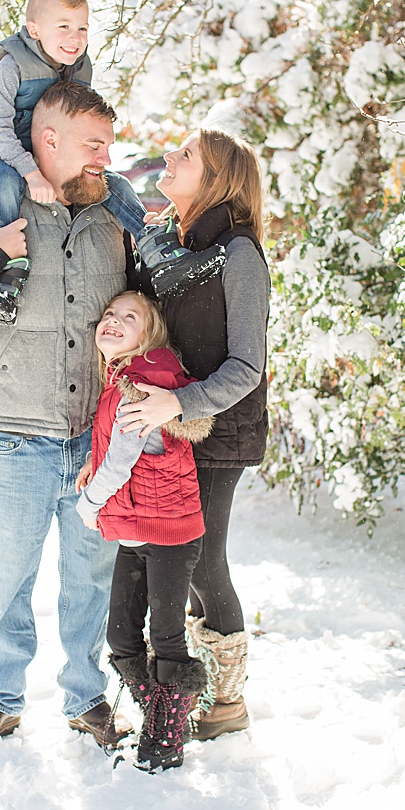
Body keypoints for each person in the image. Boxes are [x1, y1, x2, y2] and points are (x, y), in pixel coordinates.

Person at [0, 79, 137, 746]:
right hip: (14, 440)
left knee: (90, 582)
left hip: (93, 443)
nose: (107, 152)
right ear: (49, 140)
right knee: (6, 578)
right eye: (92, 142)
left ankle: (87, 698)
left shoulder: (116, 218)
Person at [116, 128, 271, 741]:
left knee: (204, 560)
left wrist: (177, 404)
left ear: (214, 180)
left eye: (186, 156)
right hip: (161, 432)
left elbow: (246, 366)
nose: (169, 158)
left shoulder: (239, 256)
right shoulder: (161, 243)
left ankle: (225, 697)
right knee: (167, 559)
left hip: (218, 431)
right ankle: (183, 688)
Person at [0, 0, 222, 324]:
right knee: (5, 185)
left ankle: (157, 251)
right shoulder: (10, 64)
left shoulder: (77, 64)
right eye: (63, 27)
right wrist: (30, 171)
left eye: (82, 28)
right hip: (5, 153)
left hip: (53, 154)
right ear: (34, 29)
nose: (75, 38)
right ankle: (7, 280)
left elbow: (78, 117)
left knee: (114, 184)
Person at [75, 290, 212, 771]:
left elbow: (123, 459)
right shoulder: (122, 379)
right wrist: (94, 465)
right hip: (138, 528)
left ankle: (164, 741)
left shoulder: (144, 382)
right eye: (108, 313)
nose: (112, 321)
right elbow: (120, 449)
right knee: (123, 636)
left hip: (169, 532)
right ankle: (166, 714)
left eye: (128, 317)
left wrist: (89, 505)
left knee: (167, 636)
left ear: (149, 334)